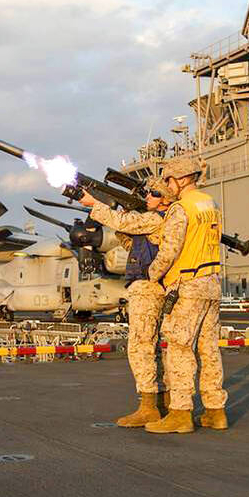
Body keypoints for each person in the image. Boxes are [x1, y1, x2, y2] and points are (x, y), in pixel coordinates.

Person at [79, 176, 176, 427]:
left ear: (165, 199)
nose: (148, 197)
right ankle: (162, 401)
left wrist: (94, 204)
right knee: (152, 347)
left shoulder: (156, 219)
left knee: (140, 346)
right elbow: (130, 241)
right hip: (148, 285)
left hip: (146, 286)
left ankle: (148, 408)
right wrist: (122, 218)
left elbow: (122, 221)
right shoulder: (153, 220)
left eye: (154, 194)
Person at [149, 157, 228, 433]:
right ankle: (215, 411)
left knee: (180, 348)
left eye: (169, 180)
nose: (167, 186)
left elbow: (169, 251)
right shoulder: (211, 204)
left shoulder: (181, 209)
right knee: (209, 349)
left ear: (181, 180)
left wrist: (152, 274)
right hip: (212, 283)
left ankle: (180, 414)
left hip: (188, 285)